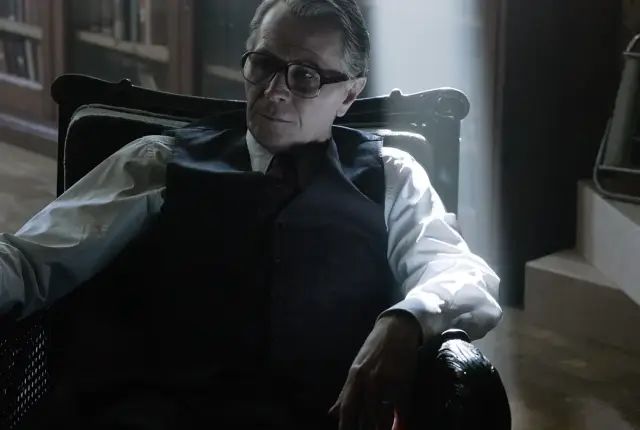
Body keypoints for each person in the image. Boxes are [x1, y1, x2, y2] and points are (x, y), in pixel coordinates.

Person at [0, 0, 503, 428]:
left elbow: (461, 273)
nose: (274, 90)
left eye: (305, 76)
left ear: (349, 94)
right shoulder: (159, 162)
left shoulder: (392, 177)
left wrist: (408, 319)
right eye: (263, 64)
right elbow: (30, 260)